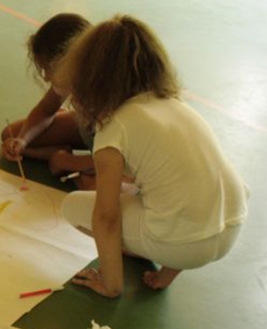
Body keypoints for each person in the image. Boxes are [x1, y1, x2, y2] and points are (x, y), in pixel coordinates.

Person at [58, 15, 249, 297]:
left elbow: (106, 217)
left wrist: (111, 285)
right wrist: (167, 272)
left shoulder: (114, 128)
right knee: (174, 191)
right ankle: (166, 271)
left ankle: (154, 253)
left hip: (185, 244)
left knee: (73, 207)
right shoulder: (174, 104)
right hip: (231, 226)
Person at [1, 13, 95, 188]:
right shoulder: (73, 73)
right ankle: (64, 155)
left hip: (116, 152)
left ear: (68, 62)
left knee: (94, 186)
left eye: (48, 69)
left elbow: (120, 160)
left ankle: (65, 159)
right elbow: (46, 109)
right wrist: (22, 141)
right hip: (90, 132)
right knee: (11, 134)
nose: (46, 78)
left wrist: (65, 161)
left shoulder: (107, 95)